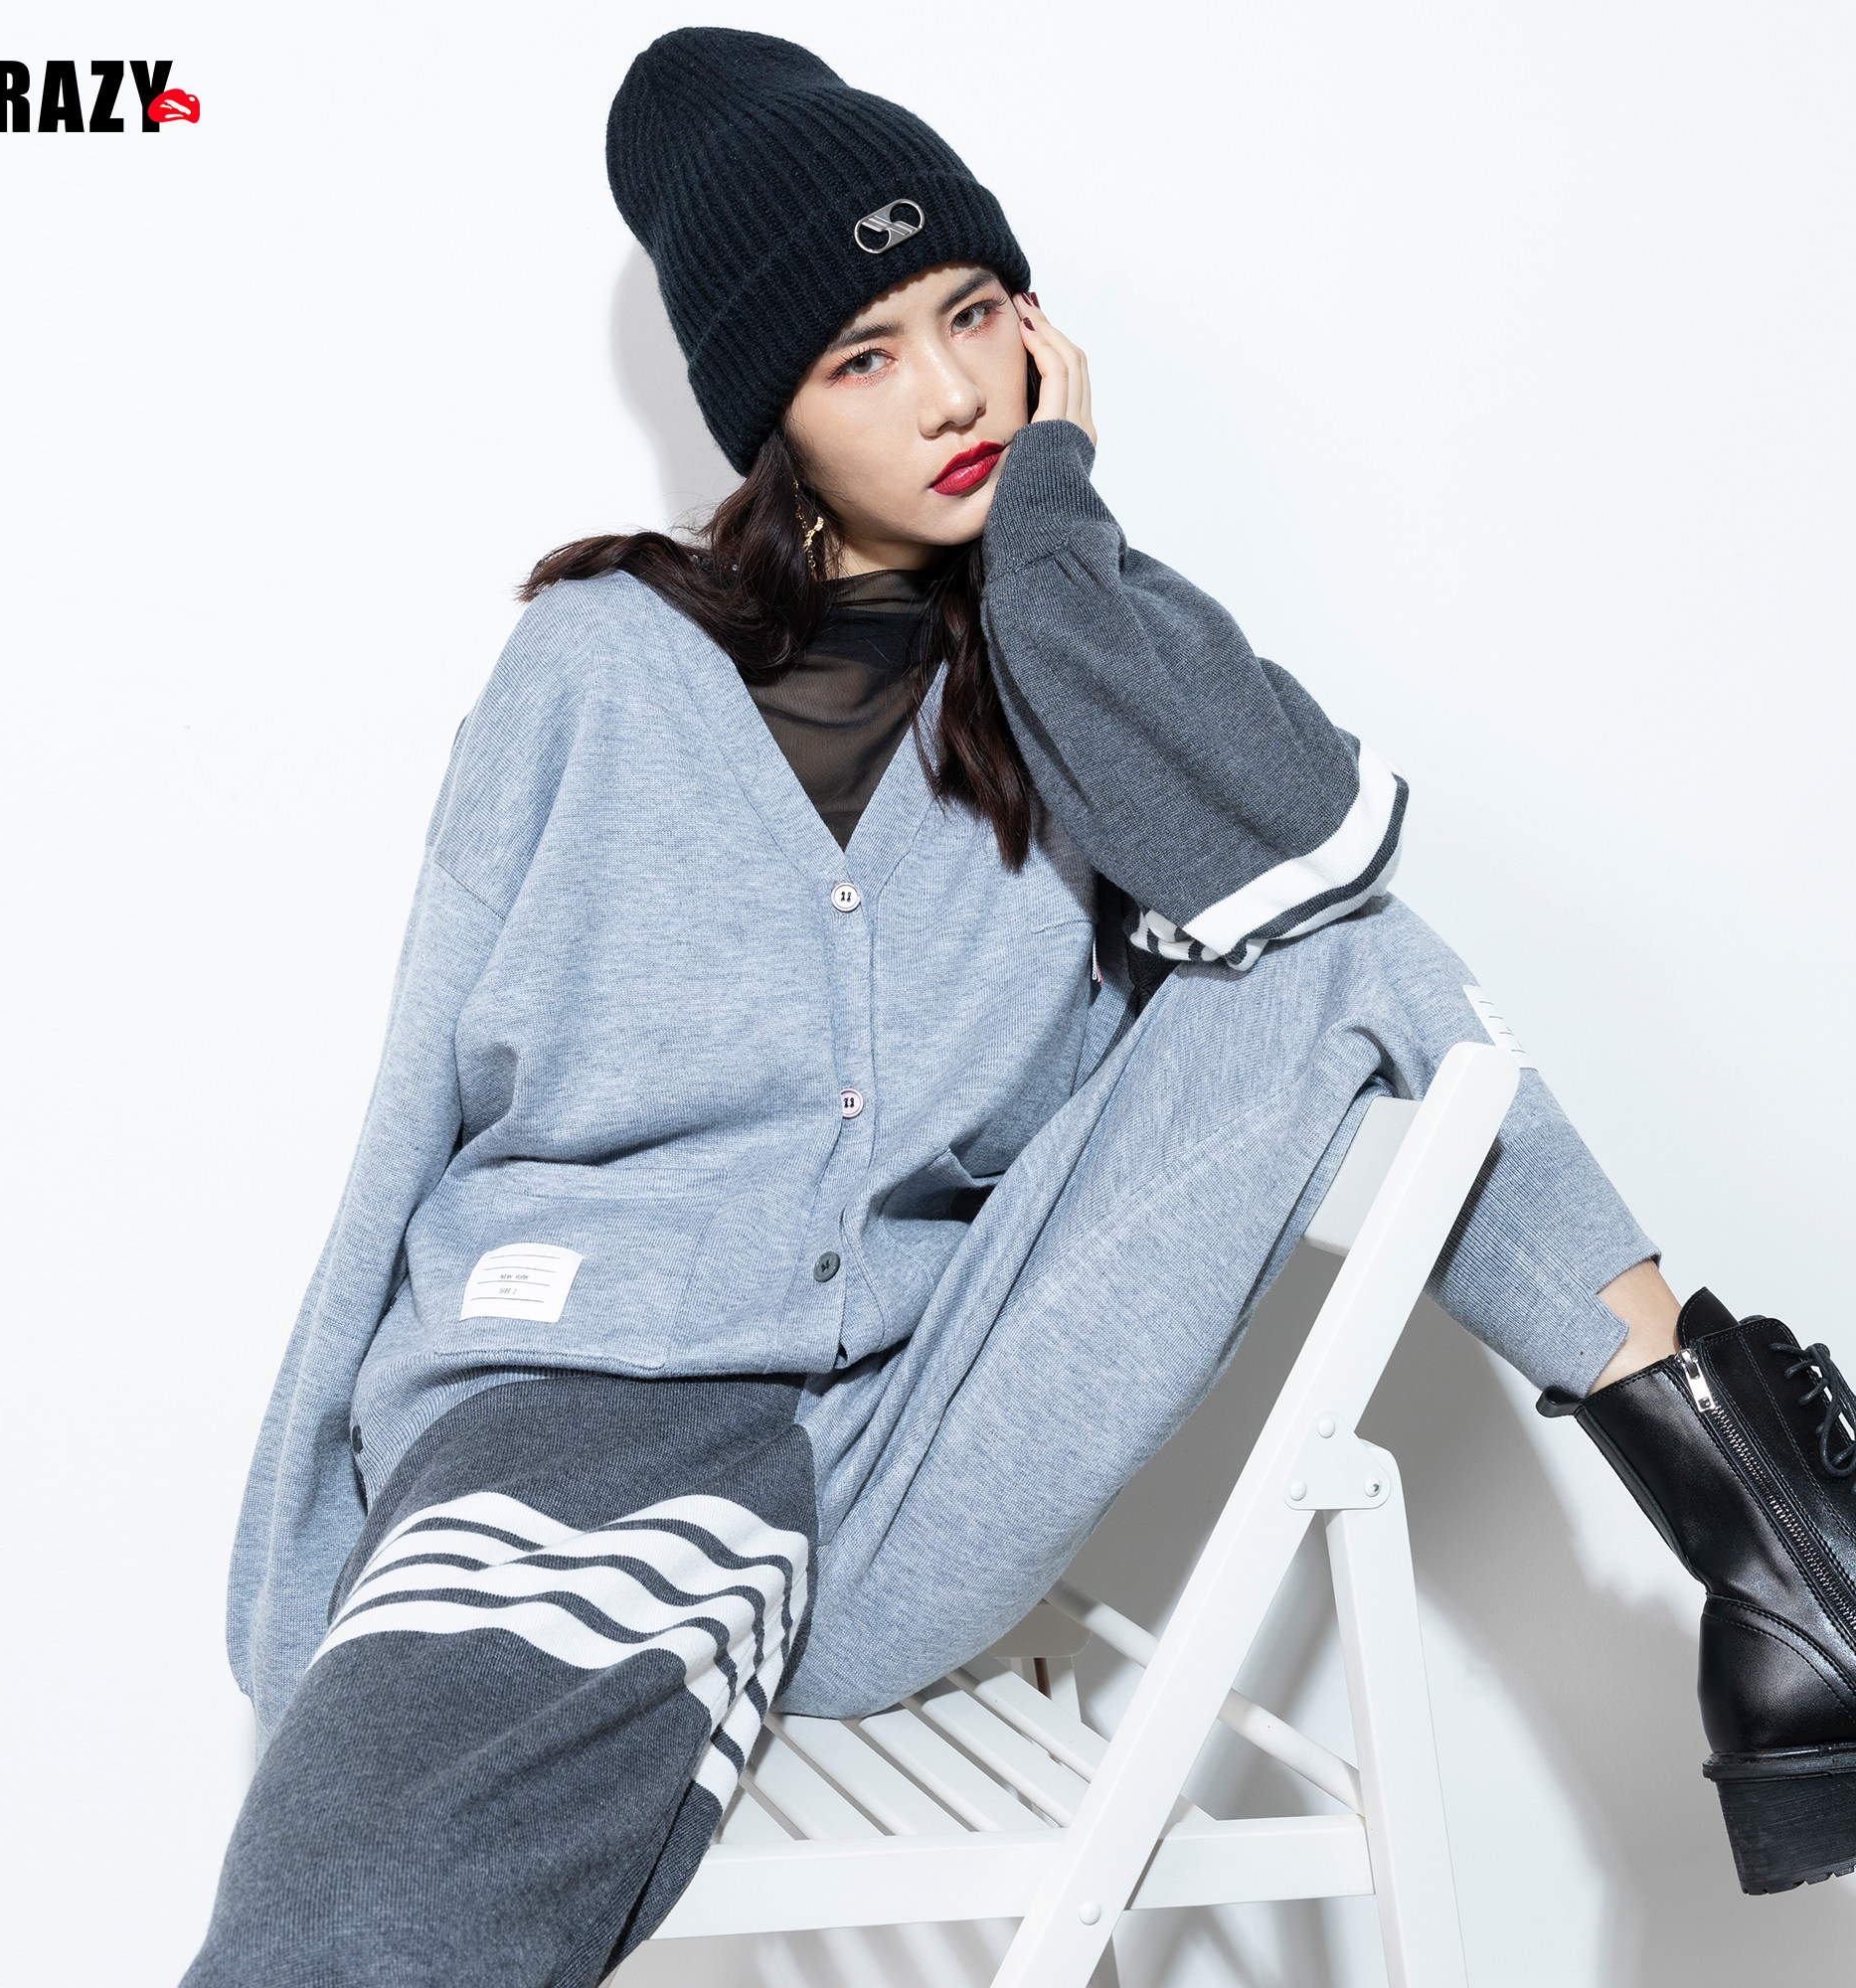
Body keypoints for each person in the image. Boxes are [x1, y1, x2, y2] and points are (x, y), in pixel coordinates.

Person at [183, 26, 1856, 1985]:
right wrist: (318, 1540)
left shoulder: (1074, 671)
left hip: (905, 1463)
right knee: (366, 1908)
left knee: (1341, 954)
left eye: (974, 312)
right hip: (578, 1425)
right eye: (862, 355)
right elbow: (415, 1104)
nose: (955, 390)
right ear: (768, 413)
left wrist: (1053, 535)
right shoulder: (596, 665)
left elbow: (1317, 871)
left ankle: (1777, 1553)